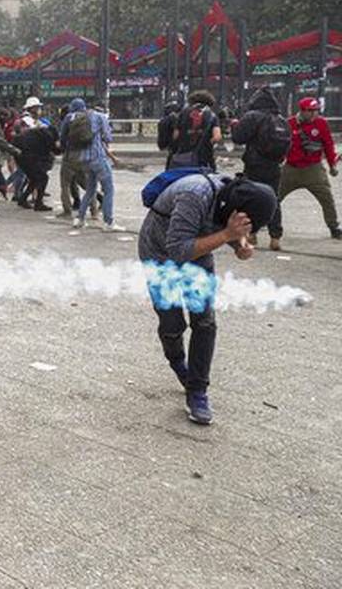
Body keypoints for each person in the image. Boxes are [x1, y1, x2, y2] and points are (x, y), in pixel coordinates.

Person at [137, 172, 276, 424]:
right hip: (160, 255)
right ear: (237, 208)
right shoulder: (194, 195)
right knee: (172, 324)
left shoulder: (231, 199)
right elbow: (178, 251)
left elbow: (224, 224)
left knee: (204, 322)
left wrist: (240, 244)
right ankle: (178, 363)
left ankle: (197, 390)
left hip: (197, 255)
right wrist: (227, 235)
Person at [230, 88, 290, 250]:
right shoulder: (280, 119)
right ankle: (275, 237)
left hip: (254, 165)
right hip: (274, 165)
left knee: (251, 198)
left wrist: (234, 124)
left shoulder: (252, 116)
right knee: (274, 199)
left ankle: (252, 234)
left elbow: (238, 138)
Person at [280, 97, 340, 240]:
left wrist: (332, 165)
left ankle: (334, 227)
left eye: (316, 110)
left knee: (327, 198)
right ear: (302, 111)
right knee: (274, 197)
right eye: (310, 111)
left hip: (313, 168)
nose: (314, 114)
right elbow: (281, 145)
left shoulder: (321, 123)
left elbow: (328, 145)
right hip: (291, 168)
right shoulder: (290, 124)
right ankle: (264, 221)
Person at [68, 98, 124, 232]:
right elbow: (108, 137)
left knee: (90, 190)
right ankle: (108, 222)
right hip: (98, 158)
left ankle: (80, 219)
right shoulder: (100, 117)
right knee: (109, 189)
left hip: (85, 160)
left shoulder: (80, 118)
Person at [170, 90, 222, 170]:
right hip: (204, 157)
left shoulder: (183, 113)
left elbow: (175, 135)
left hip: (183, 156)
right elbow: (217, 137)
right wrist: (208, 143)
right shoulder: (212, 115)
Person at [14, 124, 60, 212]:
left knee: (35, 179)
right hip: (28, 157)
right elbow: (55, 151)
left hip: (20, 156)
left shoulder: (36, 131)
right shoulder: (48, 136)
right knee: (43, 178)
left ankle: (23, 199)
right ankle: (38, 204)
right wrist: (60, 146)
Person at [156, 101, 182, 169]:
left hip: (165, 145)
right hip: (173, 146)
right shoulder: (173, 119)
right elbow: (175, 133)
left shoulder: (163, 120)